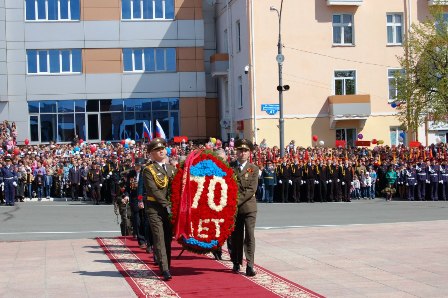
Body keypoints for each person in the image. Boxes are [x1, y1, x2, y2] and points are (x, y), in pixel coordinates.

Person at [142, 138, 176, 281]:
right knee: (159, 237)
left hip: (169, 208)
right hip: (155, 208)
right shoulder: (148, 170)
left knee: (168, 238)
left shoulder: (171, 168)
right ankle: (165, 268)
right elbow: (153, 190)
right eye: (157, 149)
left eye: (162, 148)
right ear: (151, 154)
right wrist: (167, 204)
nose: (161, 151)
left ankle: (167, 264)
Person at [230, 139, 258, 277]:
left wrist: (236, 200)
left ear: (249, 153)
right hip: (234, 209)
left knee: (249, 236)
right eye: (240, 150)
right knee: (236, 236)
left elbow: (251, 189)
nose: (242, 153)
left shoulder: (254, 168)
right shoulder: (230, 167)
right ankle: (236, 261)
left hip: (248, 207)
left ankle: (250, 264)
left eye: (245, 151)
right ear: (236, 151)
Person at [124, 158, 148, 247]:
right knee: (137, 220)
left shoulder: (145, 173)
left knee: (145, 219)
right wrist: (126, 195)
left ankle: (147, 239)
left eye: (139, 165)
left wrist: (141, 198)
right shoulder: (131, 174)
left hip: (144, 198)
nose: (137, 167)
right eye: (136, 165)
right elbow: (127, 187)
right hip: (134, 199)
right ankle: (141, 240)